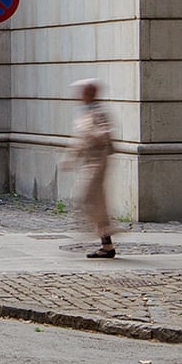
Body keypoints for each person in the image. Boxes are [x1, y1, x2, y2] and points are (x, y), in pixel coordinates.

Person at [64, 78, 118, 259]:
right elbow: (79, 140)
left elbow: (105, 133)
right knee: (97, 202)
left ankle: (94, 229)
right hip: (89, 162)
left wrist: (96, 135)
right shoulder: (85, 111)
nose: (79, 96)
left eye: (82, 92)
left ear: (90, 93)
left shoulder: (97, 111)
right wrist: (71, 158)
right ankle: (107, 244)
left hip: (97, 162)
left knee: (86, 197)